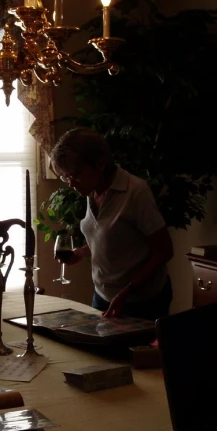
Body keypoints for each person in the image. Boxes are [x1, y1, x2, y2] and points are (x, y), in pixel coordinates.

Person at [50, 128, 174, 319]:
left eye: (75, 175)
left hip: (142, 301)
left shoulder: (135, 192)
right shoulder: (91, 190)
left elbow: (164, 250)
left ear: (100, 164)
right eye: (66, 177)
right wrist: (81, 253)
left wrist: (128, 290)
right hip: (102, 296)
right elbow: (114, 239)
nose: (71, 183)